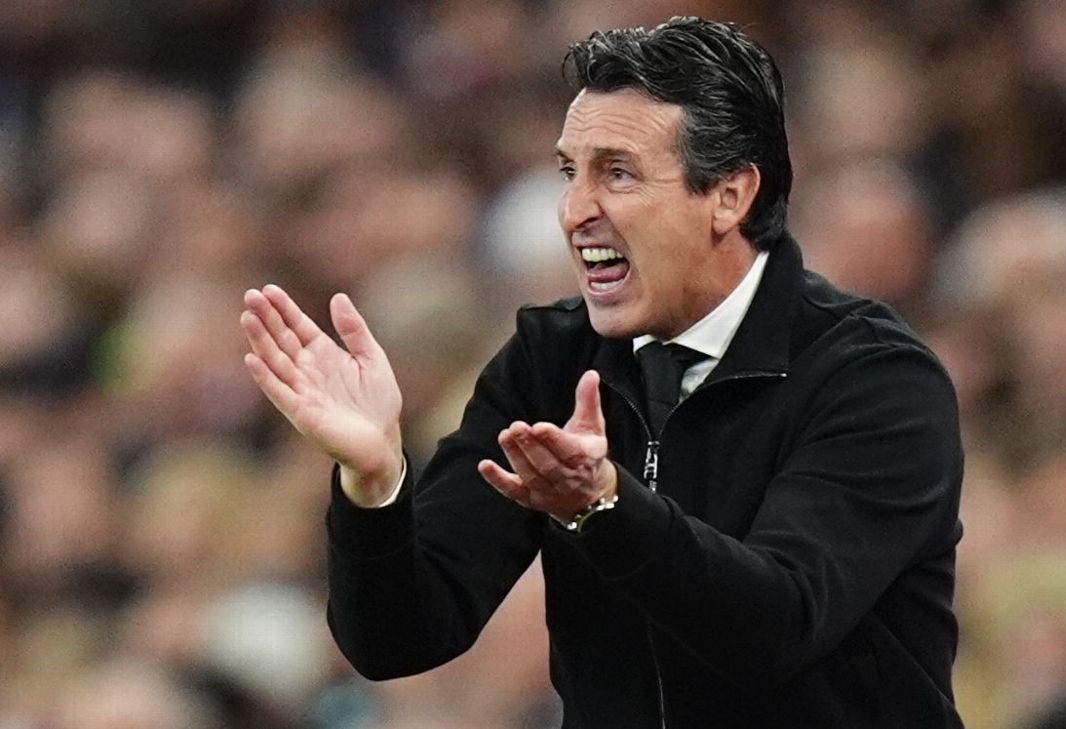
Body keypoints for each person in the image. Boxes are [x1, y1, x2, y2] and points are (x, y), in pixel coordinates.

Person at [239, 17, 964, 728]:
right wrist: (374, 484)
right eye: (570, 172)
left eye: (617, 173)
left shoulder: (874, 378)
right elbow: (401, 638)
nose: (574, 211)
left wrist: (606, 507)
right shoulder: (551, 358)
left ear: (729, 195)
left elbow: (778, 623)